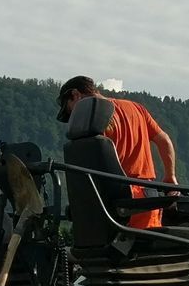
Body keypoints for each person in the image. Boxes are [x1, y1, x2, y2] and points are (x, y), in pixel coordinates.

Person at [56, 75, 178, 229]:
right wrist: (170, 176)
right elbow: (164, 140)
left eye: (70, 110)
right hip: (147, 199)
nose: (73, 117)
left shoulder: (92, 120)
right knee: (146, 249)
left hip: (117, 202)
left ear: (75, 95)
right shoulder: (137, 109)